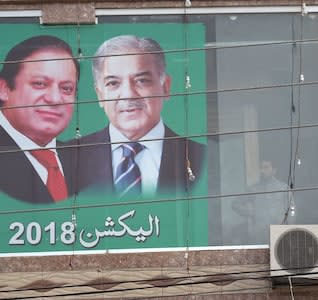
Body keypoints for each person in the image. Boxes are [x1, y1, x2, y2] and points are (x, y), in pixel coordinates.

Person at [74, 35, 205, 197]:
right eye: (113, 83)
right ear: (100, 95)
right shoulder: (69, 159)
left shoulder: (201, 158)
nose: (128, 95)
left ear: (165, 87)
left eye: (142, 80)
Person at [0, 35, 79, 204]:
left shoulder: (83, 163)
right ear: (4, 89)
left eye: (66, 88)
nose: (54, 99)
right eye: (40, 84)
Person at [232, 159, 292, 244]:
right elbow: (235, 204)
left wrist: (288, 229)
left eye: (266, 167)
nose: (262, 171)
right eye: (261, 168)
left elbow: (292, 210)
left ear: (274, 170)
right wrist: (251, 213)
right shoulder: (254, 189)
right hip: (260, 235)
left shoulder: (283, 188)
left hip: (280, 233)